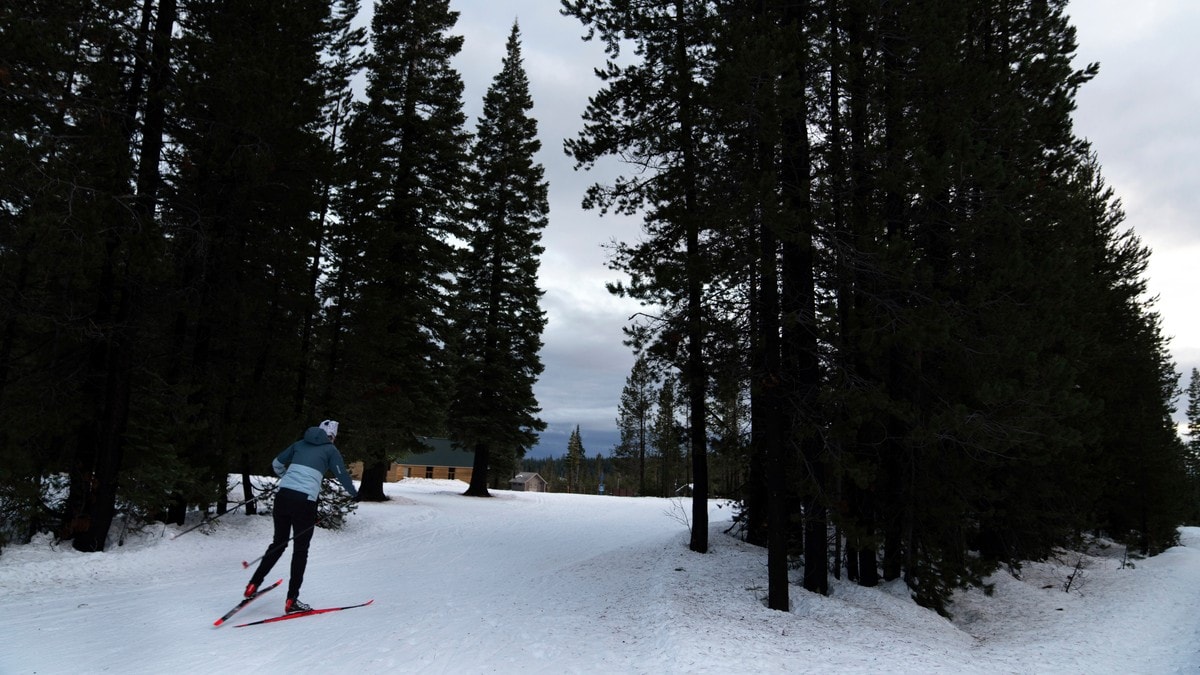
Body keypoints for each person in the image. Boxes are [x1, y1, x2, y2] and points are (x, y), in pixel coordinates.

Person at [245, 419, 358, 613]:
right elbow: (341, 475)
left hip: (283, 496)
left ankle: (253, 584)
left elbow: (276, 463)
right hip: (304, 502)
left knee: (278, 543)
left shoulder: (299, 443)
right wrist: (355, 494)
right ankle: (292, 600)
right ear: (332, 436)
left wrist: (286, 477)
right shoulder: (330, 450)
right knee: (300, 550)